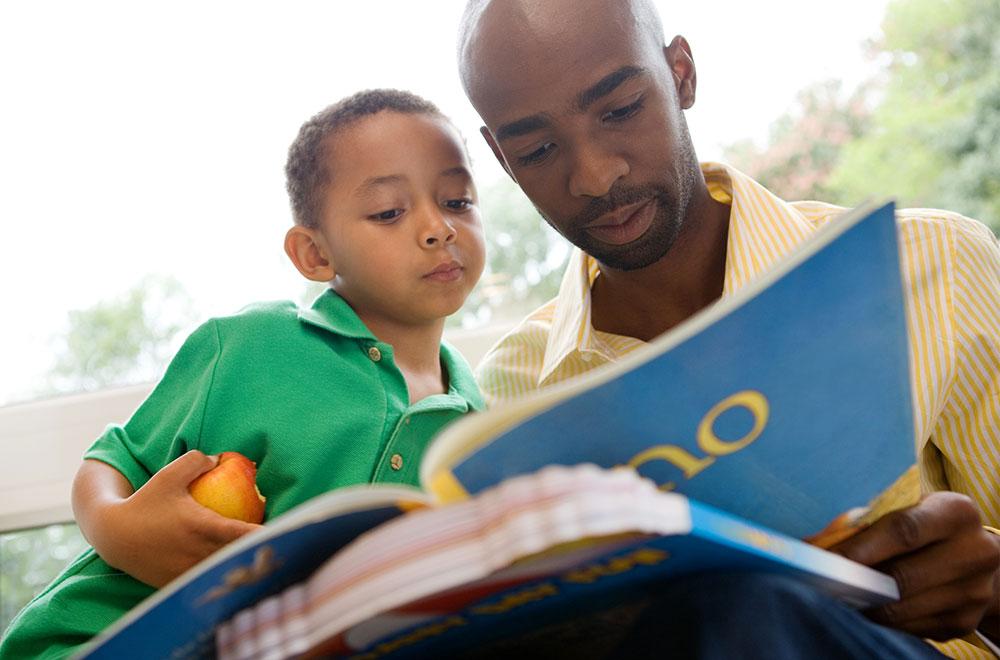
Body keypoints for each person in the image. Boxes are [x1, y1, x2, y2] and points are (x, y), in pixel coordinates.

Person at [457, 1, 1000, 657]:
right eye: (538, 149)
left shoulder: (934, 264)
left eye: (622, 108)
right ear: (501, 158)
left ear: (680, 74)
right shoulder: (515, 392)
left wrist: (988, 586)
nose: (596, 176)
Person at [0, 89, 487, 659]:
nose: (438, 228)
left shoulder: (475, 429)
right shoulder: (253, 345)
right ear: (314, 255)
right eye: (388, 212)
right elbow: (110, 464)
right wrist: (120, 530)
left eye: (457, 201)